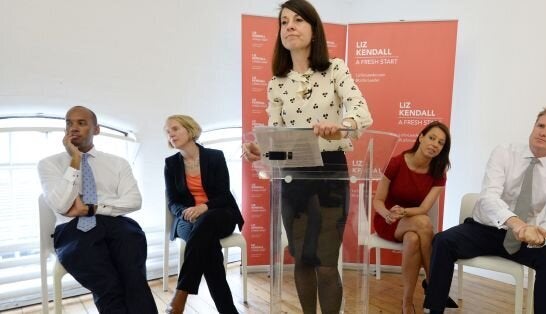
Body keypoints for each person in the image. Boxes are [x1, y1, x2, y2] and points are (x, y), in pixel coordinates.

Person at [242, 0, 373, 312]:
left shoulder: (335, 69)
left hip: (331, 172)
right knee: (302, 258)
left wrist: (340, 126)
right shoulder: (276, 84)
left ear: (314, 30)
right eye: (284, 22)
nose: (289, 26)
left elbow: (361, 113)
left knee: (326, 263)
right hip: (293, 173)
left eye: (298, 20)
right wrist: (261, 151)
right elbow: (277, 140)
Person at [423, 104, 546, 314]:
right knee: (442, 241)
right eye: (540, 125)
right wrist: (516, 223)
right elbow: (488, 197)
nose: (542, 132)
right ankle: (435, 309)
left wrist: (540, 237)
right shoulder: (505, 152)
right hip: (484, 230)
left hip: (524, 238)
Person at [37, 106, 157, 313]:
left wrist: (93, 208)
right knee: (108, 286)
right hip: (72, 230)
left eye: (81, 123)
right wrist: (74, 161)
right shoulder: (49, 164)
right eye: (69, 123)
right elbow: (60, 204)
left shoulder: (118, 163)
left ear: (96, 129)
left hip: (117, 224)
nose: (73, 128)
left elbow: (134, 201)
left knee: (134, 280)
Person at [372, 121, 457, 314]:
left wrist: (404, 212)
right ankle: (434, 286)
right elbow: (378, 200)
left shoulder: (438, 171)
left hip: (413, 222)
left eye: (441, 143)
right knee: (424, 223)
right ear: (421, 137)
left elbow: (424, 207)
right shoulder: (396, 163)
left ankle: (407, 303)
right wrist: (388, 214)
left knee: (413, 237)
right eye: (432, 138)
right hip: (388, 221)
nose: (435, 144)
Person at [163, 115, 244, 314]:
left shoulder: (215, 157)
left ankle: (180, 293)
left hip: (220, 214)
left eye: (174, 129)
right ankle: (228, 311)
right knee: (209, 251)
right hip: (187, 219)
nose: (170, 134)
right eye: (167, 132)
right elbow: (173, 201)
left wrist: (204, 207)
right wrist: (185, 212)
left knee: (206, 223)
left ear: (190, 130)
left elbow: (224, 195)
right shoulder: (171, 163)